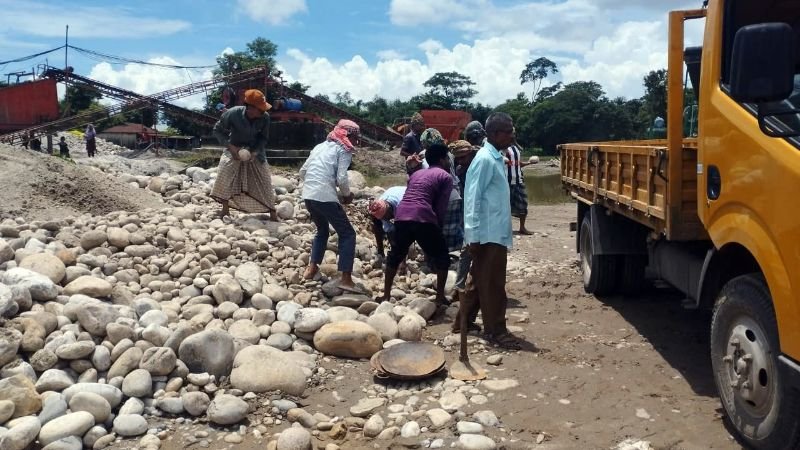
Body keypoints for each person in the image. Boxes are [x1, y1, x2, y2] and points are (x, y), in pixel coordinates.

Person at [459, 112, 521, 349]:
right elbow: (472, 199)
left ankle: (462, 322)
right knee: (493, 283)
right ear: (495, 134)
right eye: (509, 131)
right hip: (487, 234)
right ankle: (496, 331)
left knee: (479, 279)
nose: (512, 135)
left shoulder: (495, 157)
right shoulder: (485, 159)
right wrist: (472, 235)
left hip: (493, 231)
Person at [381, 143, 453, 305]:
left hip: (402, 215)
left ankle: (385, 295)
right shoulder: (445, 176)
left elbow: (409, 195)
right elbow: (441, 207)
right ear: (442, 160)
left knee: (395, 255)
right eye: (448, 158)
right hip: (423, 216)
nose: (449, 162)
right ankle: (440, 297)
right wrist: (438, 227)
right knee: (442, 257)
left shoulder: (416, 174)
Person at [300, 119, 362, 293]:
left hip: (308, 195)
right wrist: (346, 195)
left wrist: (315, 186)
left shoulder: (319, 147)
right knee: (347, 234)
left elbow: (303, 172)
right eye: (355, 137)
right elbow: (342, 178)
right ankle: (346, 279)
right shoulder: (344, 149)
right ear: (348, 135)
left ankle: (312, 268)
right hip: (325, 196)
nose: (356, 141)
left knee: (322, 230)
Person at [210, 89, 277, 221]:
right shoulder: (232, 113)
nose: (263, 111)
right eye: (260, 108)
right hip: (234, 146)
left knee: (264, 179)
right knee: (224, 172)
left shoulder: (265, 117)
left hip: (255, 149)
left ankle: (272, 212)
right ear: (250, 108)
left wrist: (255, 152)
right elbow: (217, 130)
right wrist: (231, 147)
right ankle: (225, 209)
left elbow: (263, 138)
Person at [368, 186, 406, 265]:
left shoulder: (402, 206)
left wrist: (401, 258)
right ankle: (380, 252)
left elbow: (403, 230)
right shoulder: (379, 205)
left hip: (406, 194)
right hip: (392, 192)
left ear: (389, 210)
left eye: (385, 217)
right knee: (376, 223)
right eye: (383, 218)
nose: (384, 219)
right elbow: (389, 229)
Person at [506, 140, 532, 235]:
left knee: (523, 204)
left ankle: (522, 227)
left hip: (518, 181)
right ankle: (505, 229)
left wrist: (529, 163)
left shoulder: (516, 148)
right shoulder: (503, 149)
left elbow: (517, 163)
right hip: (507, 182)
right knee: (505, 207)